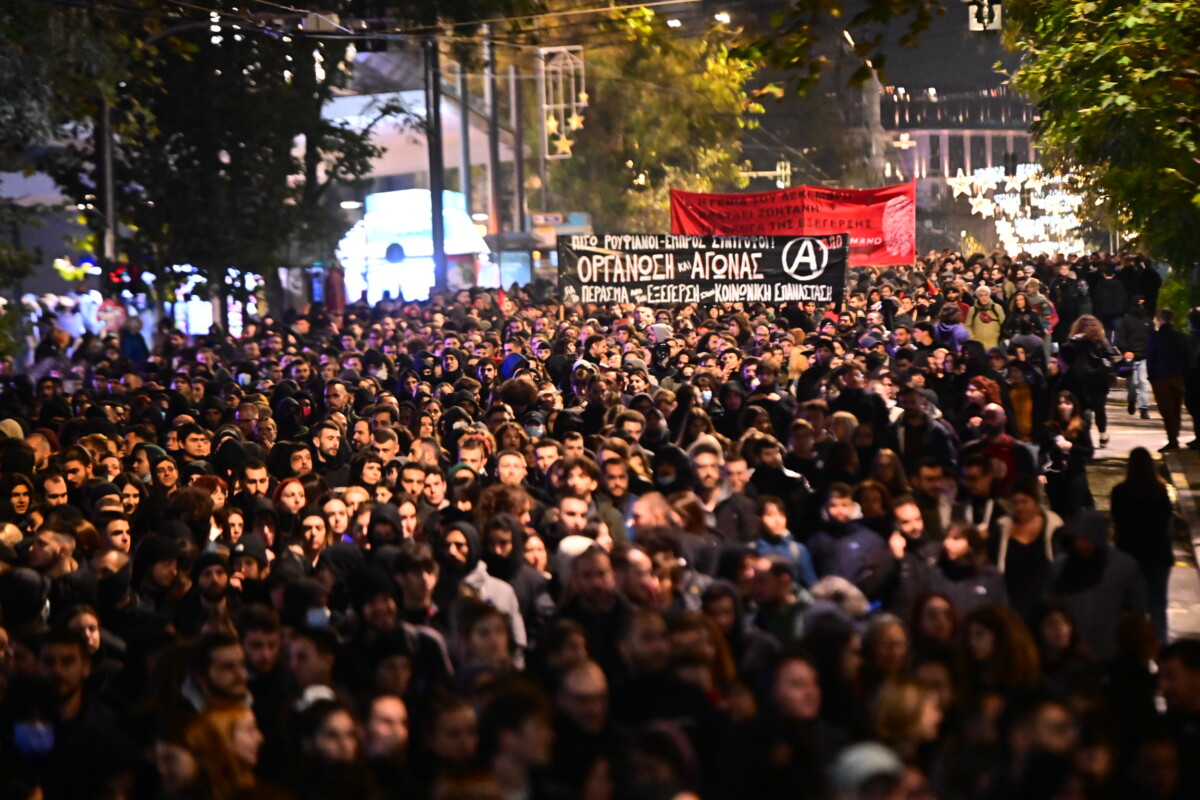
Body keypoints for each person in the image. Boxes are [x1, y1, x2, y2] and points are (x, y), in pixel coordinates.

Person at [1111, 447, 1175, 641]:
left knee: (1134, 605)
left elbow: (1118, 521)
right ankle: (1161, 645)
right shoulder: (1160, 490)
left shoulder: (1120, 491)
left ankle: (1137, 647)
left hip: (1131, 553)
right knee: (1158, 604)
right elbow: (1166, 520)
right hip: (1159, 554)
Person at [1147, 307, 1190, 451]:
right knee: (1176, 409)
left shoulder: (1156, 336)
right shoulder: (1180, 336)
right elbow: (1185, 357)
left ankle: (1172, 439)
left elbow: (1151, 357)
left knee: (1167, 410)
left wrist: (1151, 376)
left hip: (1161, 377)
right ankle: (1174, 436)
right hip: (1177, 377)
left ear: (1161, 319)